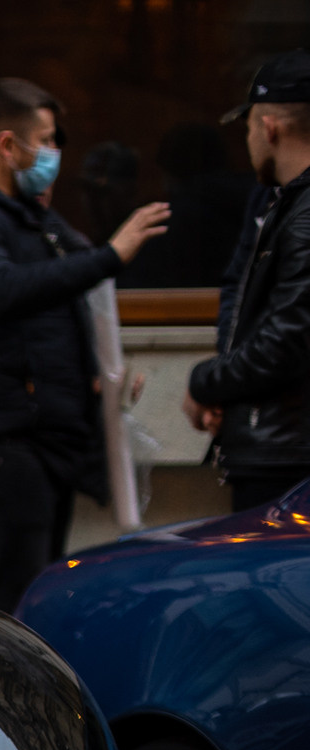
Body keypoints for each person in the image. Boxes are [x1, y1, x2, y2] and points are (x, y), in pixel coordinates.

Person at [0, 78, 170, 611]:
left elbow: (59, 312)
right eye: (47, 139)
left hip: (49, 440)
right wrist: (111, 255)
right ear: (8, 146)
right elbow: (1, 292)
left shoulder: (32, 219)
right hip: (7, 442)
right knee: (14, 599)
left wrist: (98, 379)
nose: (55, 154)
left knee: (40, 595)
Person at [185, 52, 310, 512]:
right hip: (279, 445)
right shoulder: (278, 203)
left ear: (270, 126)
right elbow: (239, 294)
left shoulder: (302, 214)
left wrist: (205, 381)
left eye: (249, 127)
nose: (249, 140)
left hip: (288, 456)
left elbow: (289, 339)